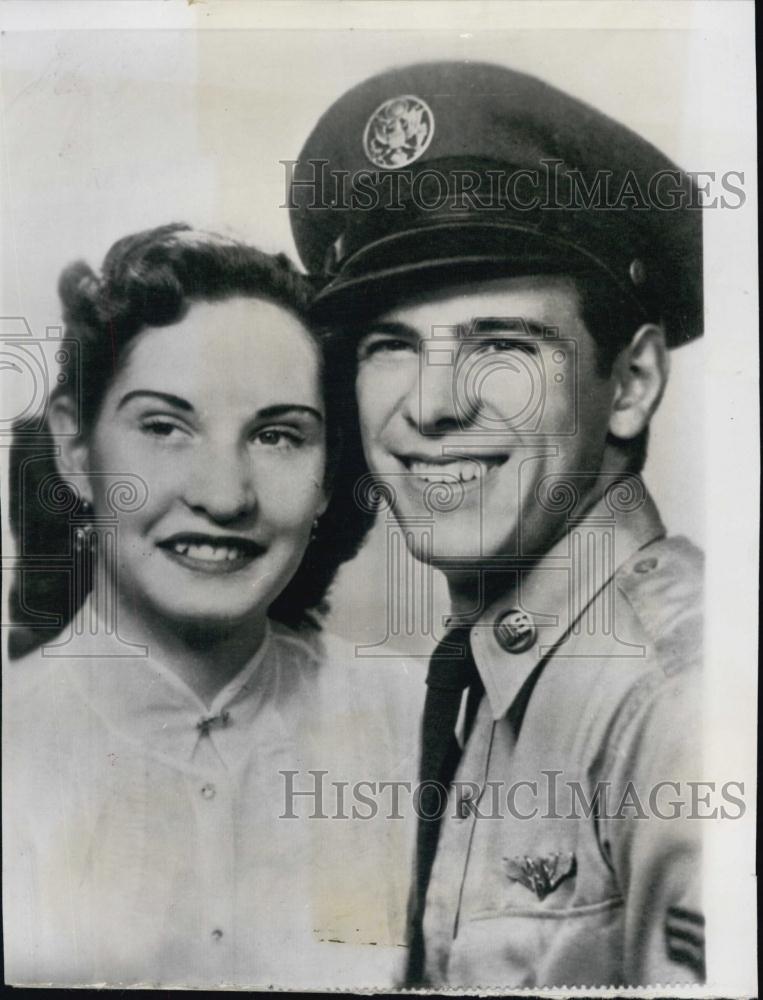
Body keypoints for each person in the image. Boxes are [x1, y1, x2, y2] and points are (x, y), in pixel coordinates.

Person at [289, 61, 705, 988]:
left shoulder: (681, 709)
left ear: (630, 383)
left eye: (502, 347)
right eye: (389, 346)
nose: (431, 405)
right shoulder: (504, 670)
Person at [2, 224, 422, 988]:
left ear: (330, 474)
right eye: (165, 427)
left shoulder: (419, 731)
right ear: (73, 445)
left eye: (277, 436)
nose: (223, 495)